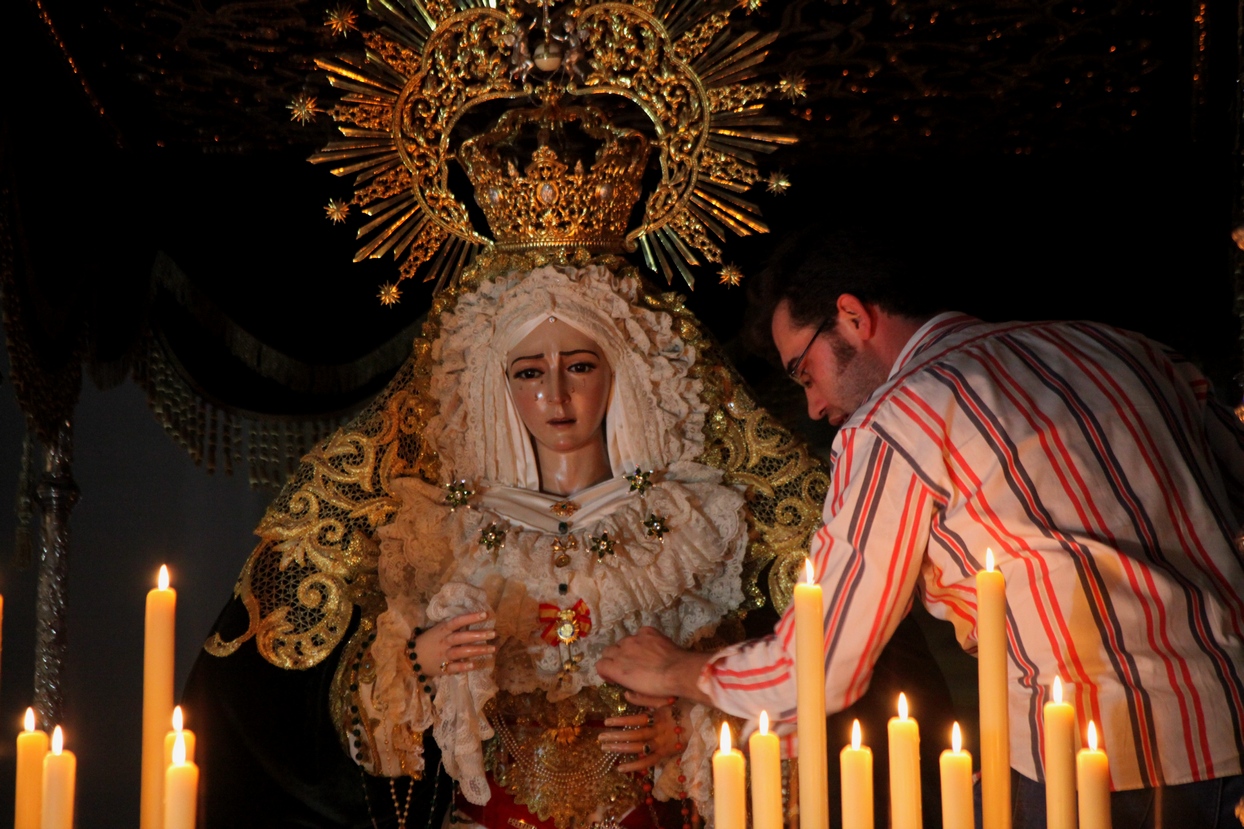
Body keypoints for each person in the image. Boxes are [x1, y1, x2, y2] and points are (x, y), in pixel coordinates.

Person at [597, 228, 1244, 829]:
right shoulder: (1125, 349)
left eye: (804, 371)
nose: (816, 407)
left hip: (1101, 761)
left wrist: (679, 670)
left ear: (853, 316)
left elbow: (822, 665)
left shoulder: (898, 422)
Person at [183, 253, 840, 828]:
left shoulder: (694, 527)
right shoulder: (440, 530)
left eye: (580, 365)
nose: (556, 393)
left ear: (621, 373)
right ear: (500, 385)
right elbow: (344, 727)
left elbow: (788, 685)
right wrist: (416, 663)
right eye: (529, 372)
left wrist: (695, 725)